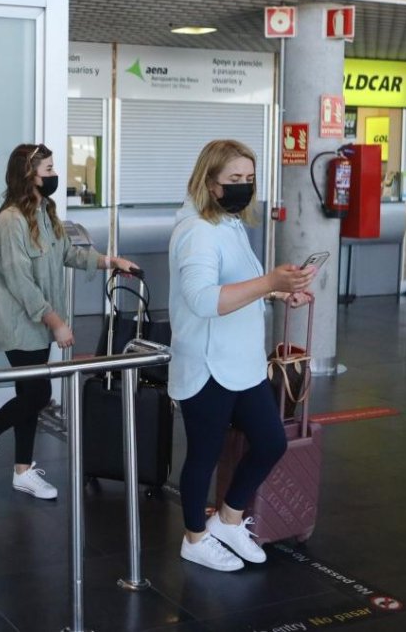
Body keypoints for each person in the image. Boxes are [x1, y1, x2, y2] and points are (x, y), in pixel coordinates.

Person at [169, 139, 315, 572]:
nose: (243, 187)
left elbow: (240, 289)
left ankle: (229, 520)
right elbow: (202, 299)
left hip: (243, 364)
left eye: (249, 179)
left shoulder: (230, 224)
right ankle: (194, 537)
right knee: (204, 456)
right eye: (234, 180)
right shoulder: (196, 232)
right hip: (208, 364)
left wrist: (277, 290)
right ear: (209, 182)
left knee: (270, 441)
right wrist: (269, 281)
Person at [0, 143, 139, 500]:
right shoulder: (10, 221)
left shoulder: (44, 213)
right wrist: (57, 322)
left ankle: (23, 470)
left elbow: (69, 253)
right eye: (48, 169)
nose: (55, 175)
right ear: (29, 175)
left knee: (28, 393)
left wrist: (110, 262)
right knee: (38, 392)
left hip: (38, 325)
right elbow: (19, 281)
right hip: (20, 325)